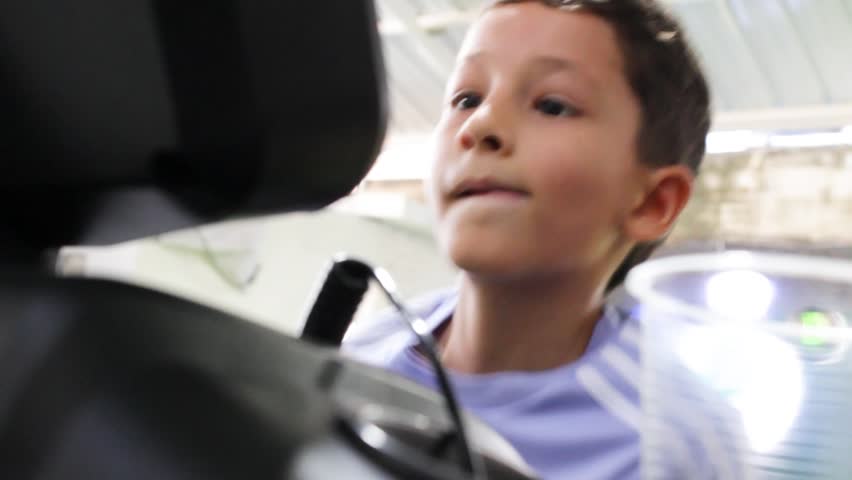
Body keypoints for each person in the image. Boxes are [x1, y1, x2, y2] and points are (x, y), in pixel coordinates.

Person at [344, 0, 716, 478]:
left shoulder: (672, 447)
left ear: (652, 204)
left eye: (552, 105)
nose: (480, 126)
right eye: (466, 99)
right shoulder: (352, 361)